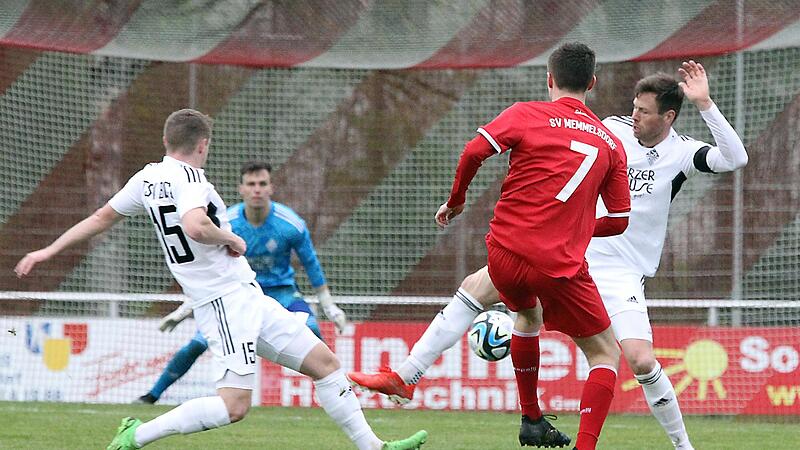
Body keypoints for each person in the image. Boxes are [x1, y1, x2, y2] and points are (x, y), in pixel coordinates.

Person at [349, 61, 748, 450]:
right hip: (569, 252)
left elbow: (734, 158)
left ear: (669, 116)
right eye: (633, 107)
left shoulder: (683, 153)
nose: (634, 115)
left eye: (643, 112)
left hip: (619, 269)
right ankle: (407, 374)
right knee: (477, 288)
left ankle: (681, 444)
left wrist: (705, 103)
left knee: (641, 362)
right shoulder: (610, 130)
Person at [14, 109, 427, 450]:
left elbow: (102, 218)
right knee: (234, 408)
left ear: (166, 141)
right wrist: (230, 236)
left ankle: (375, 448)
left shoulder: (147, 178)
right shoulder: (191, 178)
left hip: (247, 297)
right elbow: (195, 225)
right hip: (223, 304)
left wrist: (49, 250)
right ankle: (135, 436)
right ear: (202, 144)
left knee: (326, 364)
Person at [359, 42, 631, 450]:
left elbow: (474, 151)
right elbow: (620, 220)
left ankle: (424, 379)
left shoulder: (525, 113)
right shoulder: (611, 144)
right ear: (592, 83)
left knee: (500, 300)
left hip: (506, 252)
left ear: (549, 78)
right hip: (557, 265)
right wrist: (573, 229)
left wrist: (456, 200)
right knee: (606, 355)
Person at [135, 161, 346, 405]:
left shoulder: (291, 224)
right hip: (236, 295)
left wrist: (329, 306)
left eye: (262, 184)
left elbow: (311, 264)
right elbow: (207, 269)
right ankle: (152, 396)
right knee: (197, 344)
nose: (257, 189)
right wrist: (186, 308)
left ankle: (340, 393)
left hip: (282, 294)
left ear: (271, 188)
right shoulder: (227, 222)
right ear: (241, 189)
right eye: (251, 184)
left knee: (313, 328)